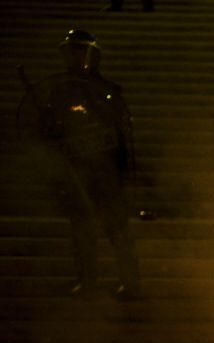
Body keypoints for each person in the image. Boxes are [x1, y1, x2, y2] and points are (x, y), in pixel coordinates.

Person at [17, 29, 142, 299]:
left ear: (93, 56)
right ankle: (87, 281)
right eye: (71, 51)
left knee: (117, 230)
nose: (76, 58)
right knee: (82, 231)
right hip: (77, 171)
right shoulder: (58, 93)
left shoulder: (108, 92)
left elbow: (121, 134)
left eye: (81, 51)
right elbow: (43, 132)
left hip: (105, 171)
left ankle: (130, 281)